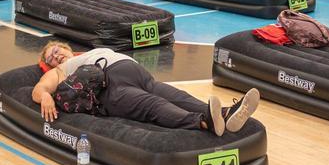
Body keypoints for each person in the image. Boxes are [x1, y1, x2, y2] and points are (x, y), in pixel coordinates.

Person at [33, 42, 260, 137]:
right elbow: (40, 87)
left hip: (137, 74)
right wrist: (45, 96)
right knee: (154, 105)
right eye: (51, 57)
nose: (56, 55)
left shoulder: (89, 54)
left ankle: (225, 114)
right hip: (110, 87)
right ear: (50, 63)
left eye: (57, 50)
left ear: (66, 48)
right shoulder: (63, 70)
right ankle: (203, 121)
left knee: (177, 96)